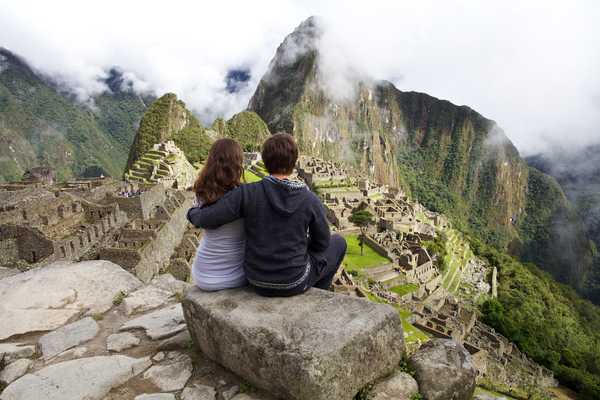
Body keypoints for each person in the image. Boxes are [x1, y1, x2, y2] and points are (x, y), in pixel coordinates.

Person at [187, 133, 347, 296]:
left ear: (264, 161)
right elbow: (322, 243)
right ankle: (318, 296)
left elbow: (207, 218)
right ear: (294, 162)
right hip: (294, 281)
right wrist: (301, 245)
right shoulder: (309, 199)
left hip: (256, 279)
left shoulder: (246, 193)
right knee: (339, 243)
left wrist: (192, 212)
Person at [190, 138, 247, 291]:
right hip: (233, 276)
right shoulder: (242, 196)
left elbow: (203, 217)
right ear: (237, 163)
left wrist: (192, 214)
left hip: (202, 273)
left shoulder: (201, 192)